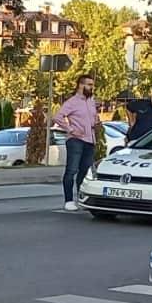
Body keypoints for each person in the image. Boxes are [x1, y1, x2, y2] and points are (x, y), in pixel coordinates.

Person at [52, 73, 99, 211]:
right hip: (76, 140)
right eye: (89, 85)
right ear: (81, 85)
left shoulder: (90, 101)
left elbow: (93, 117)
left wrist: (96, 123)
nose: (91, 87)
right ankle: (68, 200)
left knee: (85, 171)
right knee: (72, 170)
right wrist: (71, 129)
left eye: (92, 85)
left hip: (90, 140)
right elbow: (58, 117)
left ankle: (81, 198)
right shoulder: (72, 102)